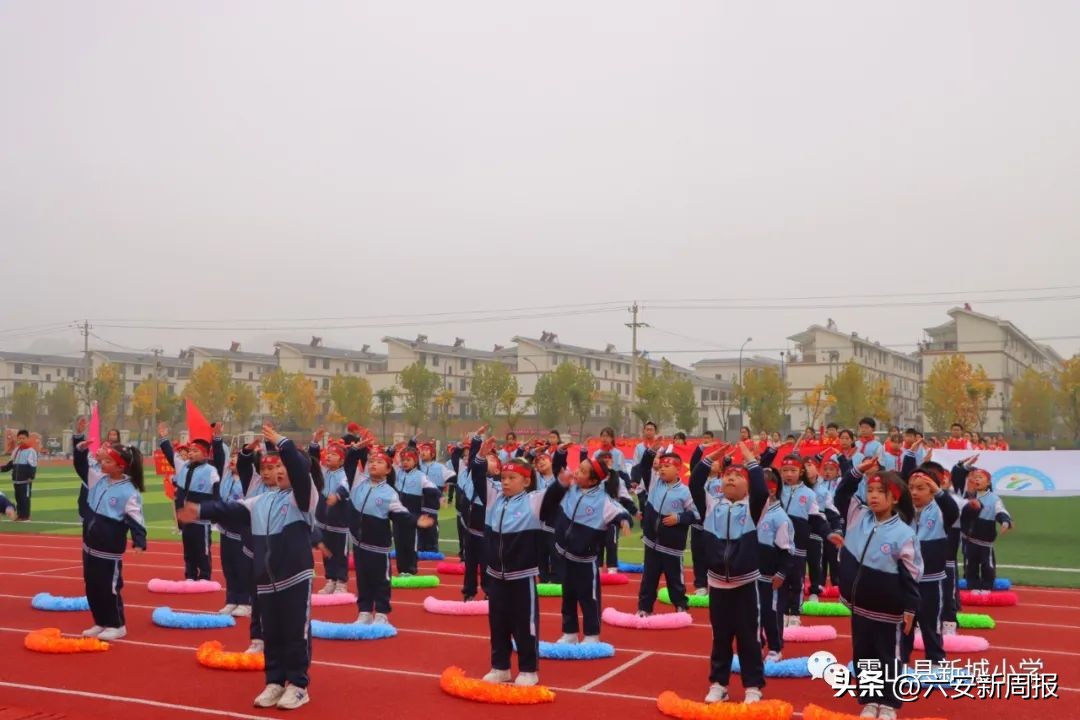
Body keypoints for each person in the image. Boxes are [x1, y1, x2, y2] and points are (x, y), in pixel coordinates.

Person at [178, 424, 318, 710]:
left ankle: (298, 685)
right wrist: (200, 510)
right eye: (277, 467)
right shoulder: (261, 500)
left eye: (284, 466)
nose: (280, 472)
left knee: (295, 633)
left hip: (294, 578)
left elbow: (299, 474)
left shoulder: (303, 500)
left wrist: (284, 444)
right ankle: (275, 681)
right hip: (265, 580)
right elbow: (230, 509)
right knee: (271, 634)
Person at [830, 461, 921, 720]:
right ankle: (870, 700)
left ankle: (888, 704)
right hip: (860, 608)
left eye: (881, 492)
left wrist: (910, 607)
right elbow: (841, 494)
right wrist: (857, 471)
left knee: (889, 658)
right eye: (870, 491)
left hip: (890, 612)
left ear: (895, 498)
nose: (873, 496)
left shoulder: (904, 533)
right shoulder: (858, 515)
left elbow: (912, 574)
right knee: (864, 656)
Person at [470, 441, 562, 687]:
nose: (505, 482)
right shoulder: (494, 498)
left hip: (522, 576)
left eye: (512, 478)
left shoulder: (534, 501)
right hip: (495, 576)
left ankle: (529, 669)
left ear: (526, 481)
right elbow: (478, 477)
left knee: (525, 624)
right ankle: (500, 667)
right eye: (503, 477)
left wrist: (560, 478)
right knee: (498, 623)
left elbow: (554, 494)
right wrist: (479, 456)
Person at [690, 441, 775, 705]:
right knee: (721, 638)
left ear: (747, 486)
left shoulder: (753, 508)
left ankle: (753, 686)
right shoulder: (711, 506)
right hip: (717, 585)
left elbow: (761, 489)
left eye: (738, 476)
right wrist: (709, 459)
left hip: (746, 585)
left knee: (749, 638)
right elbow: (695, 482)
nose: (731, 478)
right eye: (728, 475)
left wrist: (751, 461)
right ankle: (719, 684)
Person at [326, 446, 435, 624]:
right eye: (371, 462)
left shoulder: (389, 493)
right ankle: (364, 611)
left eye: (379, 462)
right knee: (362, 579)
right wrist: (356, 449)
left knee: (381, 580)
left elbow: (401, 515)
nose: (373, 465)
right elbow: (350, 463)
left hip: (378, 547)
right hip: (359, 544)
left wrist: (416, 521)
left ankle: (382, 613)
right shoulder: (357, 483)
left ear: (388, 469)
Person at [548, 455, 633, 645]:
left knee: (589, 598)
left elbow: (621, 512)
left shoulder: (603, 501)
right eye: (579, 468)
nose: (577, 472)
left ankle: (592, 634)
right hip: (565, 557)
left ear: (593, 480)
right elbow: (556, 469)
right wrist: (560, 454)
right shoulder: (570, 489)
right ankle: (569, 632)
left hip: (585, 562)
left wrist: (624, 521)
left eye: (583, 471)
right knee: (568, 597)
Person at [71, 433, 146, 641]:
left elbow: (136, 518)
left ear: (120, 466)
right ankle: (100, 622)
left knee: (109, 588)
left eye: (107, 461)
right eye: (102, 460)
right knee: (92, 586)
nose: (102, 463)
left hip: (109, 549)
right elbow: (81, 467)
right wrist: (80, 450)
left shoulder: (129, 491)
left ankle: (116, 625)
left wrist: (139, 540)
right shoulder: (98, 479)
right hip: (89, 546)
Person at [899, 449, 959, 667]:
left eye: (921, 488)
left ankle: (935, 661)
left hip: (931, 581)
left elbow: (953, 512)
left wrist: (939, 492)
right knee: (904, 624)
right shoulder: (902, 511)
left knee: (931, 624)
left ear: (933, 490)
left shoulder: (941, 511)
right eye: (911, 488)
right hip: (906, 581)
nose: (914, 492)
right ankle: (901, 661)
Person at [635, 439, 699, 616]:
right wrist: (651, 451)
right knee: (649, 579)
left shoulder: (685, 492)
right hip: (652, 543)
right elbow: (644, 466)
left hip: (672, 547)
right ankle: (644, 608)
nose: (662, 469)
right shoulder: (654, 483)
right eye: (661, 466)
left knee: (675, 581)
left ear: (678, 469)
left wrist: (679, 518)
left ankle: (680, 607)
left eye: (667, 466)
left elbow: (696, 514)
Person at [159, 423, 219, 581]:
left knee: (203, 551)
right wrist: (164, 438)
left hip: (201, 521)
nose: (191, 454)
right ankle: (190, 576)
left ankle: (205, 577)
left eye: (195, 451)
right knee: (189, 551)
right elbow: (171, 455)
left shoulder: (211, 471)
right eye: (190, 451)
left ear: (205, 454)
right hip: (186, 520)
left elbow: (216, 493)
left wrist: (214, 513)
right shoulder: (184, 467)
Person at [777, 456, 829, 626]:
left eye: (793, 471)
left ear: (800, 472)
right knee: (780, 580)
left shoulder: (809, 494)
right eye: (785, 471)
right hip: (778, 545)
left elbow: (816, 518)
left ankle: (794, 613)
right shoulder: (777, 491)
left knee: (796, 580)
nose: (788, 474)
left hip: (798, 544)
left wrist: (829, 533)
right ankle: (781, 612)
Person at [756, 467, 796, 662]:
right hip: (752, 575)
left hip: (770, 577)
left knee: (770, 613)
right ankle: (756, 644)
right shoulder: (752, 511)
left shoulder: (780, 517)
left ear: (772, 490)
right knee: (753, 613)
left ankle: (775, 648)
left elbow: (787, 550)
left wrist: (781, 573)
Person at [959, 465, 1013, 593]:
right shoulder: (967, 497)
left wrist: (1005, 522)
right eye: (975, 477)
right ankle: (972, 587)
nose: (977, 479)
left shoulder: (994, 499)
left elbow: (1001, 511)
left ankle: (987, 587)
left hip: (985, 542)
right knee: (970, 565)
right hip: (969, 540)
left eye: (980, 477)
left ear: (988, 482)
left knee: (987, 566)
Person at [391, 447, 441, 575]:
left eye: (408, 460)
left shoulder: (420, 476)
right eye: (403, 460)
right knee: (399, 543)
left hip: (412, 516)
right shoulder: (398, 473)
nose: (405, 463)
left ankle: (411, 569)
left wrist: (435, 498)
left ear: (415, 461)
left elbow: (434, 490)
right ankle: (401, 570)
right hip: (398, 516)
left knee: (410, 544)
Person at [1, 429, 37, 520]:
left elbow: (33, 465)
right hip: (16, 480)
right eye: (19, 438)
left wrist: (31, 476)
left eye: (23, 438)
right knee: (18, 498)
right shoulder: (16, 450)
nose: (21, 440)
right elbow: (11, 464)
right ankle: (20, 515)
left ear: (27, 439)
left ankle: (26, 516)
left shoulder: (31, 451)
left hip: (25, 480)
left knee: (25, 498)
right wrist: (1, 469)